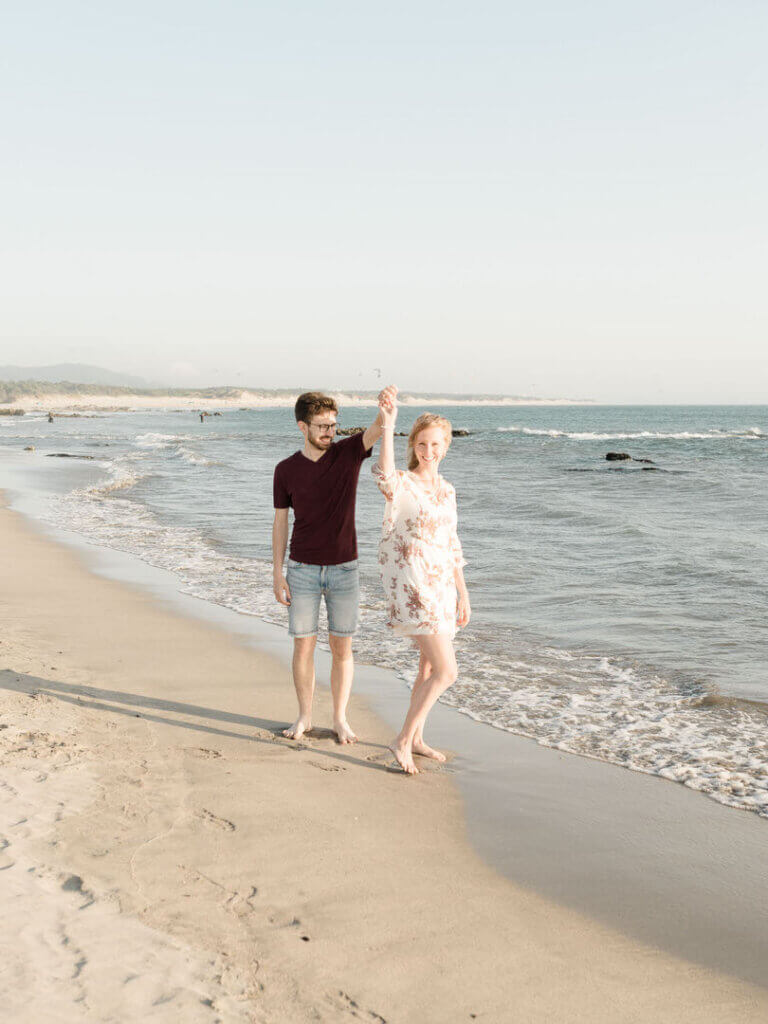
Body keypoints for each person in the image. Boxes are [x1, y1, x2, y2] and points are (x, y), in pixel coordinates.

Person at [272, 388, 396, 743]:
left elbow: (376, 429)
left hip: (345, 569)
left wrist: (387, 408)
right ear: (302, 426)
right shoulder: (285, 471)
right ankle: (305, 717)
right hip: (301, 570)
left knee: (342, 648)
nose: (330, 432)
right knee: (303, 647)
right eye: (322, 426)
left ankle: (340, 718)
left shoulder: (347, 454)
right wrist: (277, 572)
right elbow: (280, 523)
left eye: (333, 425)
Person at [372, 390, 470, 773]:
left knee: (428, 670)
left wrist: (463, 591)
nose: (429, 450)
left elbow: (452, 542)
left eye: (436, 444)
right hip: (413, 585)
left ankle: (416, 738)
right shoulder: (403, 483)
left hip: (443, 585)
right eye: (423, 443)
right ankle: (401, 740)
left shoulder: (447, 490)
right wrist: (389, 423)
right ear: (413, 444)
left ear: (445, 447)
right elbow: (381, 473)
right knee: (448, 672)